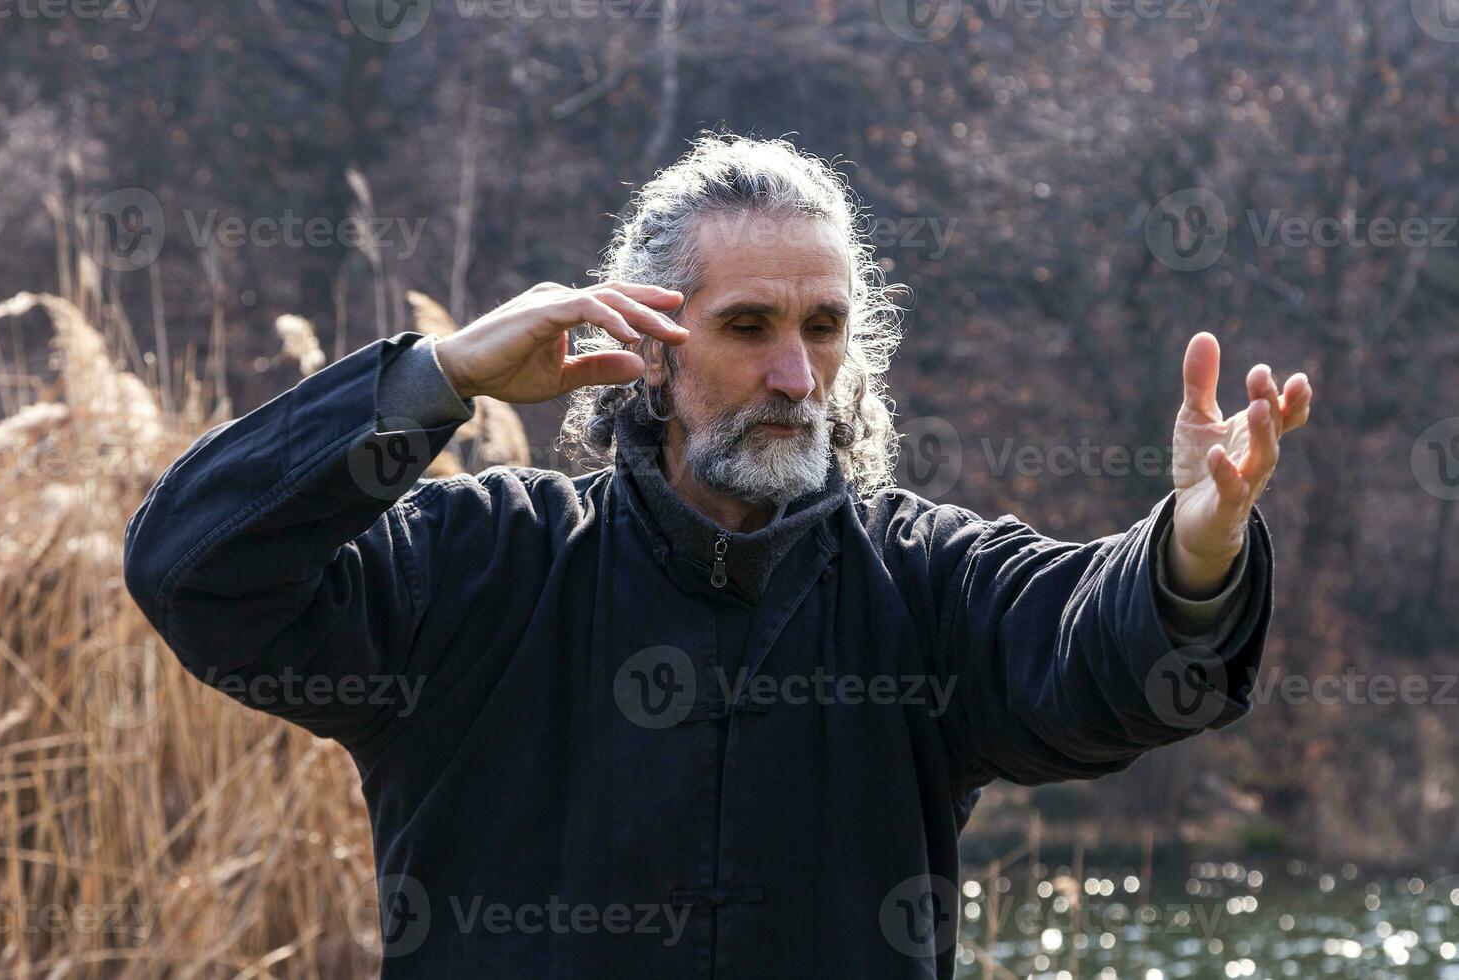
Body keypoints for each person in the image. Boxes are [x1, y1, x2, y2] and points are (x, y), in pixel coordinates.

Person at [123, 133, 1312, 978]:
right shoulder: (479, 567)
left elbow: (1103, 654)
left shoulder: (922, 584)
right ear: (650, 340)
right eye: (748, 327)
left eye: (823, 327)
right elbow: (197, 565)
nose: (795, 374)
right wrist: (439, 379)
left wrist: (1197, 547)